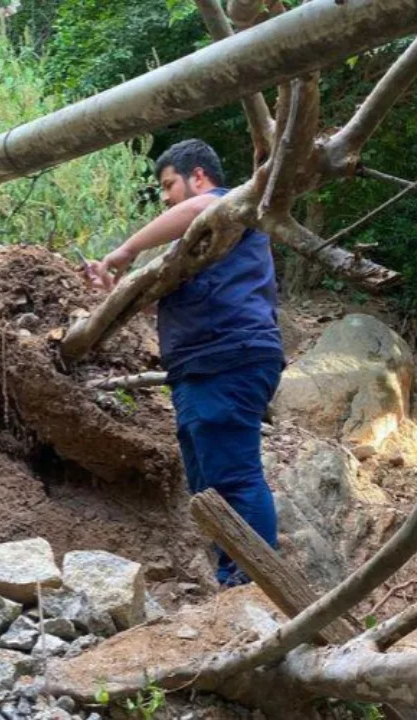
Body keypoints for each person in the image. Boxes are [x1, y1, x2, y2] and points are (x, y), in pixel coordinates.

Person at [84, 139, 284, 587]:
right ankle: (234, 578)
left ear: (199, 177)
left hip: (228, 357)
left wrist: (125, 250)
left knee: (233, 476)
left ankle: (255, 586)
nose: (166, 196)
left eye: (169, 184)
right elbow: (164, 306)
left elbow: (196, 210)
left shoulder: (230, 206)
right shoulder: (199, 248)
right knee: (207, 485)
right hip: (199, 365)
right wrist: (113, 293)